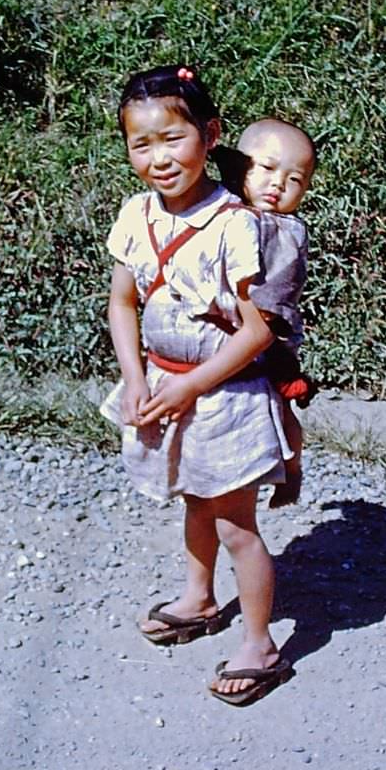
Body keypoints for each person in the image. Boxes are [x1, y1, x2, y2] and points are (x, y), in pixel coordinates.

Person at [104, 64, 293, 706]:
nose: (159, 158)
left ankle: (261, 643)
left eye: (173, 139)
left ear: (210, 135)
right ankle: (200, 596)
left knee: (236, 523)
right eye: (141, 144)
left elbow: (255, 333)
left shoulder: (234, 224)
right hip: (166, 386)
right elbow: (123, 303)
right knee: (192, 497)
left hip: (223, 397)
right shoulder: (137, 215)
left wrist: (191, 388)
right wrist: (136, 378)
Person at [226, 118, 316, 508]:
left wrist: (264, 331)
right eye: (267, 169)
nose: (278, 184)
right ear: (240, 167)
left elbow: (279, 290)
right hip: (228, 331)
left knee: (277, 408)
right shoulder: (226, 210)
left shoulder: (285, 231)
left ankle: (291, 467)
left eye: (294, 179)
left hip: (268, 334)